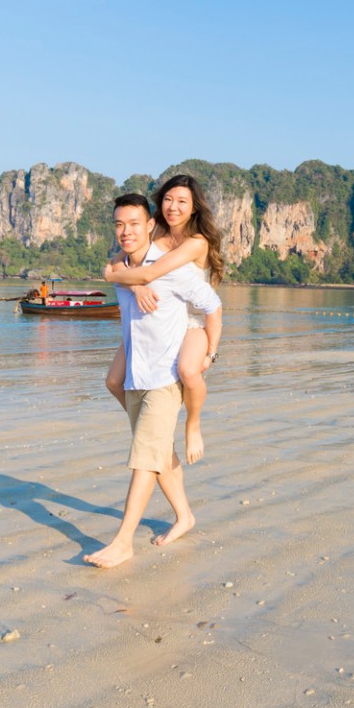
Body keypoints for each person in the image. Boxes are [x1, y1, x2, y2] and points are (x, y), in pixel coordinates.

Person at [86, 193, 222, 570]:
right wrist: (131, 283)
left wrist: (210, 351)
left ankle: (123, 542)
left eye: (134, 224)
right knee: (158, 452)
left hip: (165, 378)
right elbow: (119, 271)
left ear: (150, 226)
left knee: (145, 457)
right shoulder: (121, 270)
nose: (126, 231)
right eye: (119, 224)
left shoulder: (171, 268)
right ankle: (185, 516)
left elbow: (212, 305)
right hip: (135, 375)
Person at [100, 174, 225, 464]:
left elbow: (144, 273)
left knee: (189, 371)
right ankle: (149, 427)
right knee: (114, 381)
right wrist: (133, 285)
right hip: (159, 319)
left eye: (182, 201)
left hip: (192, 319)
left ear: (194, 207)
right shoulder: (155, 233)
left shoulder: (197, 243)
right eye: (168, 199)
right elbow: (119, 263)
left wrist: (211, 351)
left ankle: (192, 425)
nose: (173, 207)